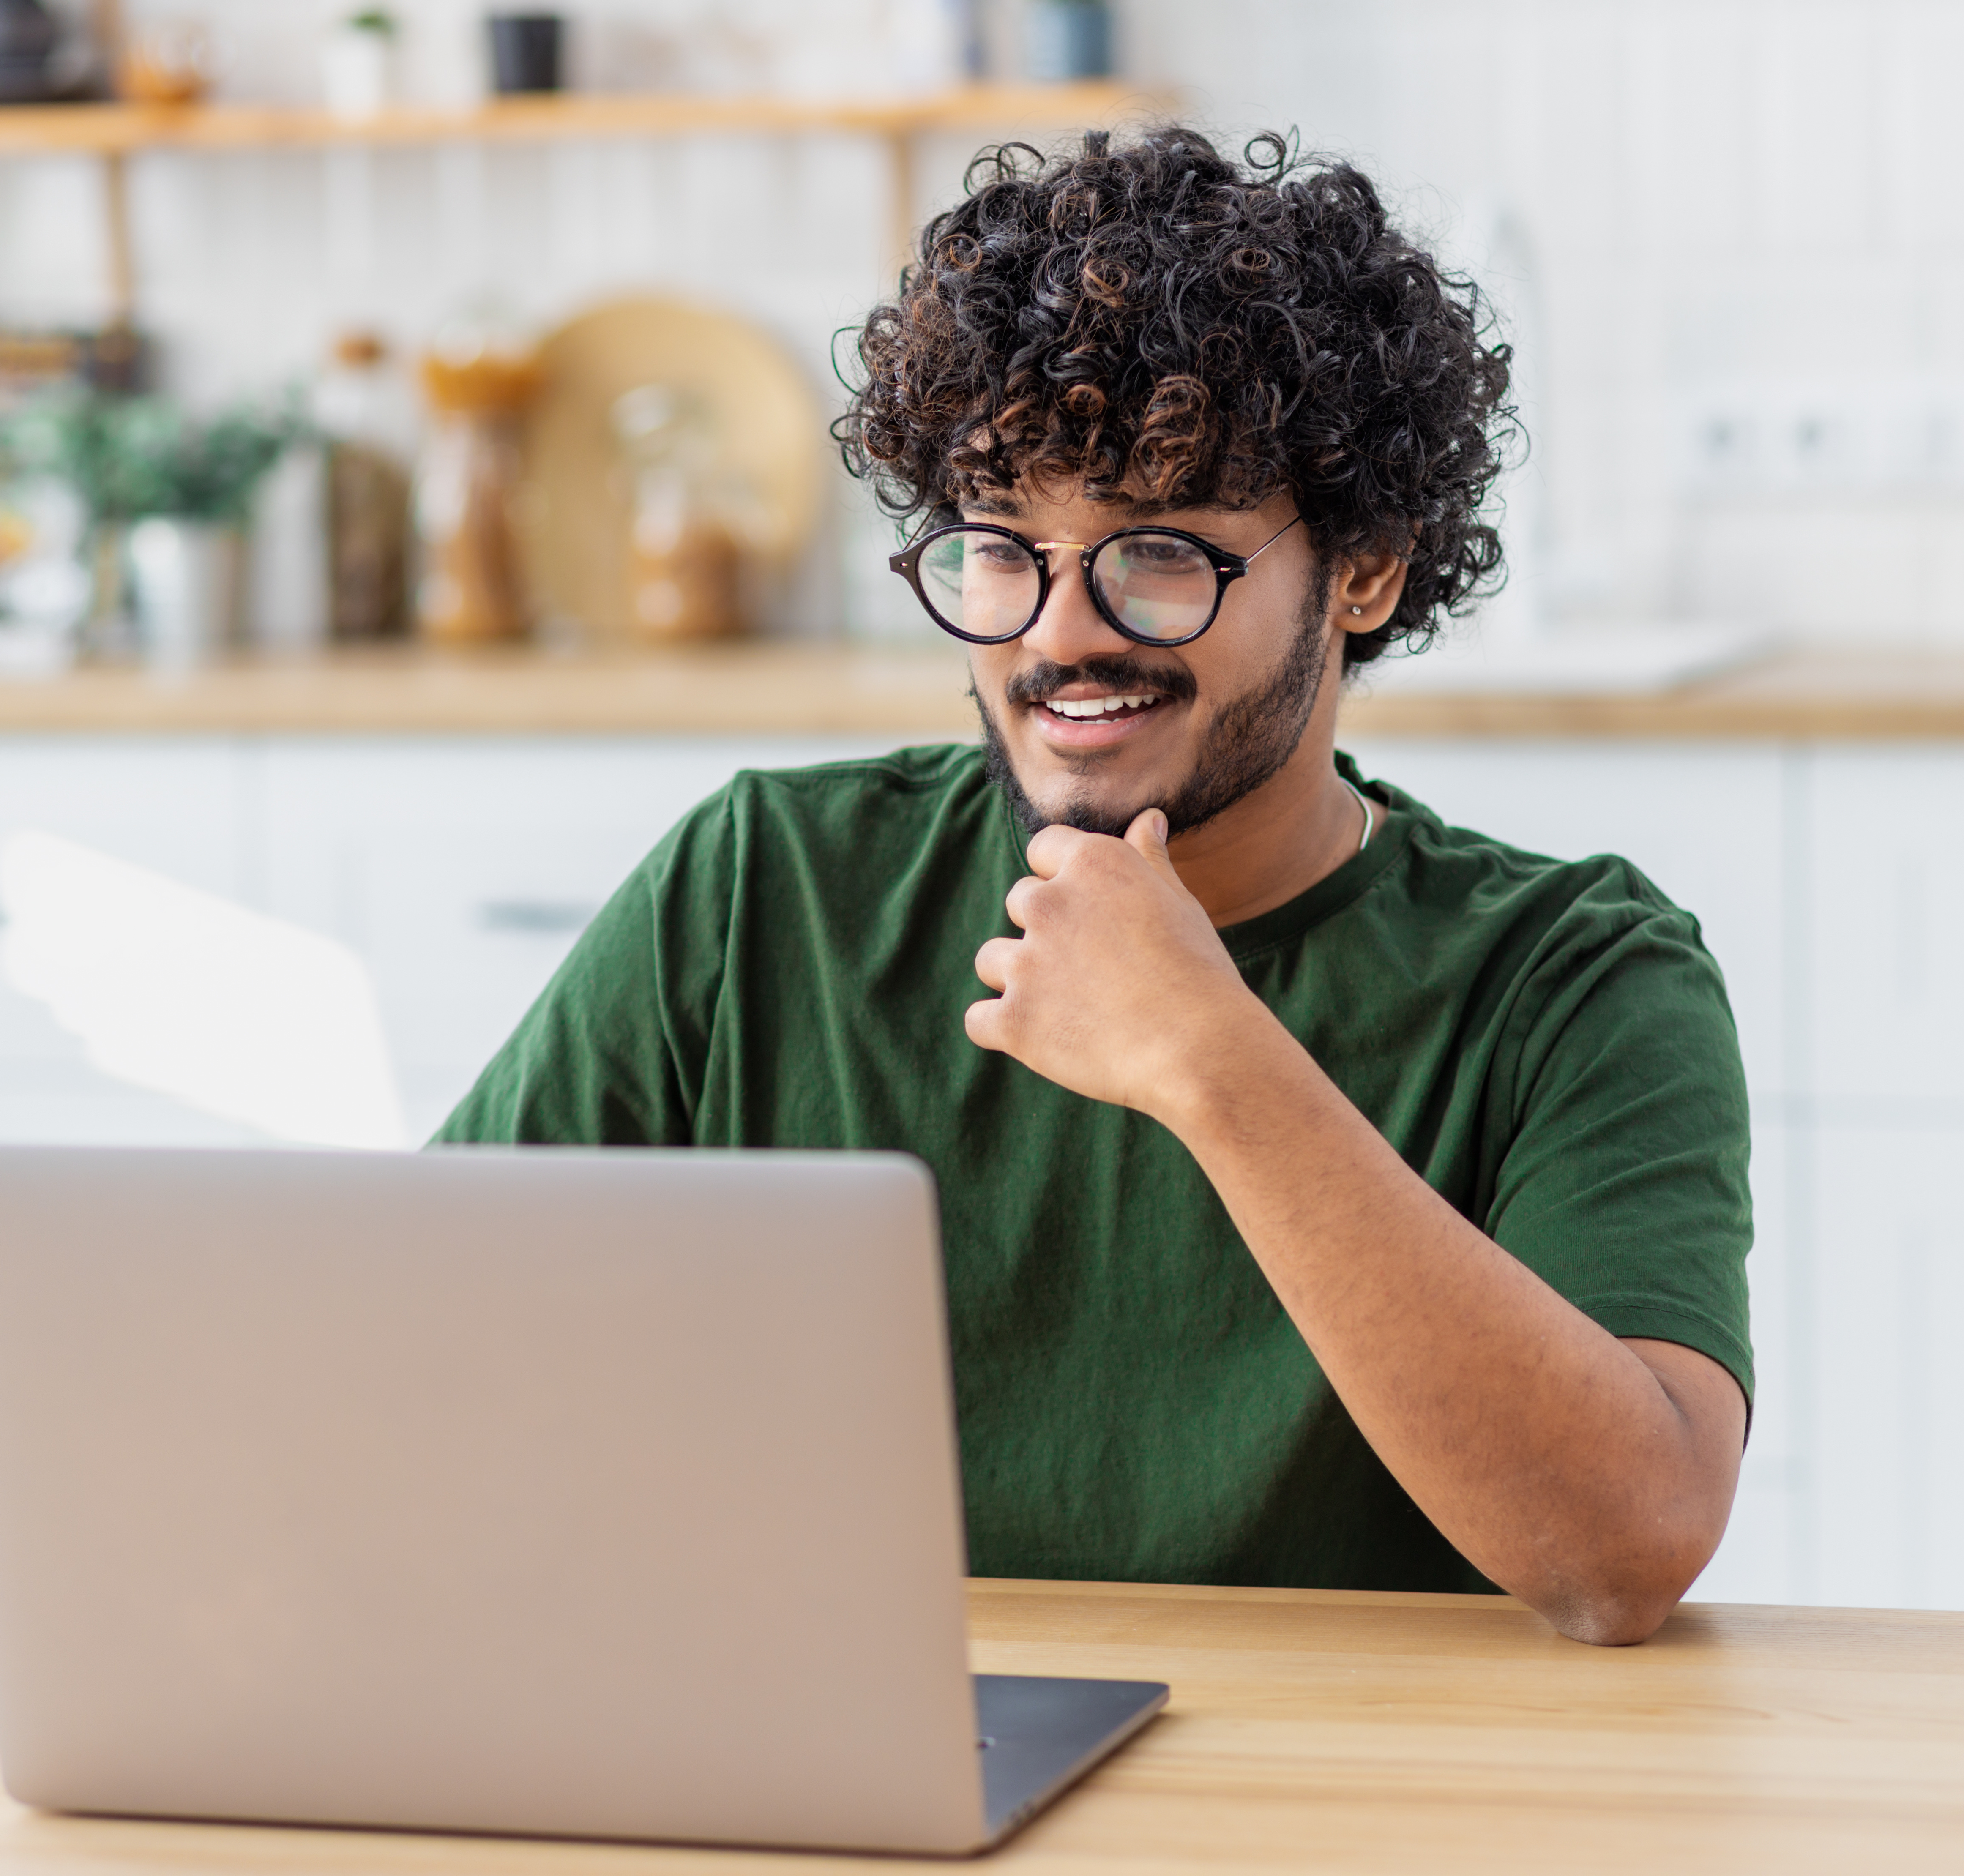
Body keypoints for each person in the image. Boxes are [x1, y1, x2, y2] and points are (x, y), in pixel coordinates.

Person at [438, 127, 1751, 1646]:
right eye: (1001, 549)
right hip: (861, 1769)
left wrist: (1208, 1056)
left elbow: (1622, 1550)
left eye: (1158, 554)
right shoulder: (764, 888)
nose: (1061, 635)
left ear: (1367, 569)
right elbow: (420, 1351)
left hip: (1363, 1803)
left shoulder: (1574, 977)